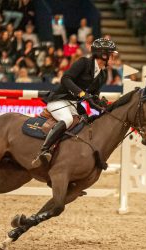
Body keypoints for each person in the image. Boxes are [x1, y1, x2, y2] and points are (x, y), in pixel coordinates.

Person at [31, 38, 118, 167]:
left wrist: (101, 105)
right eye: (111, 55)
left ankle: (95, 158)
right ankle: (44, 151)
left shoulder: (102, 75)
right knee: (67, 120)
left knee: (89, 126)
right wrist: (82, 94)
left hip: (74, 105)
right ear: (103, 55)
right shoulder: (84, 63)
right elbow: (65, 79)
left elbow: (93, 97)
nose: (114, 58)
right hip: (59, 100)